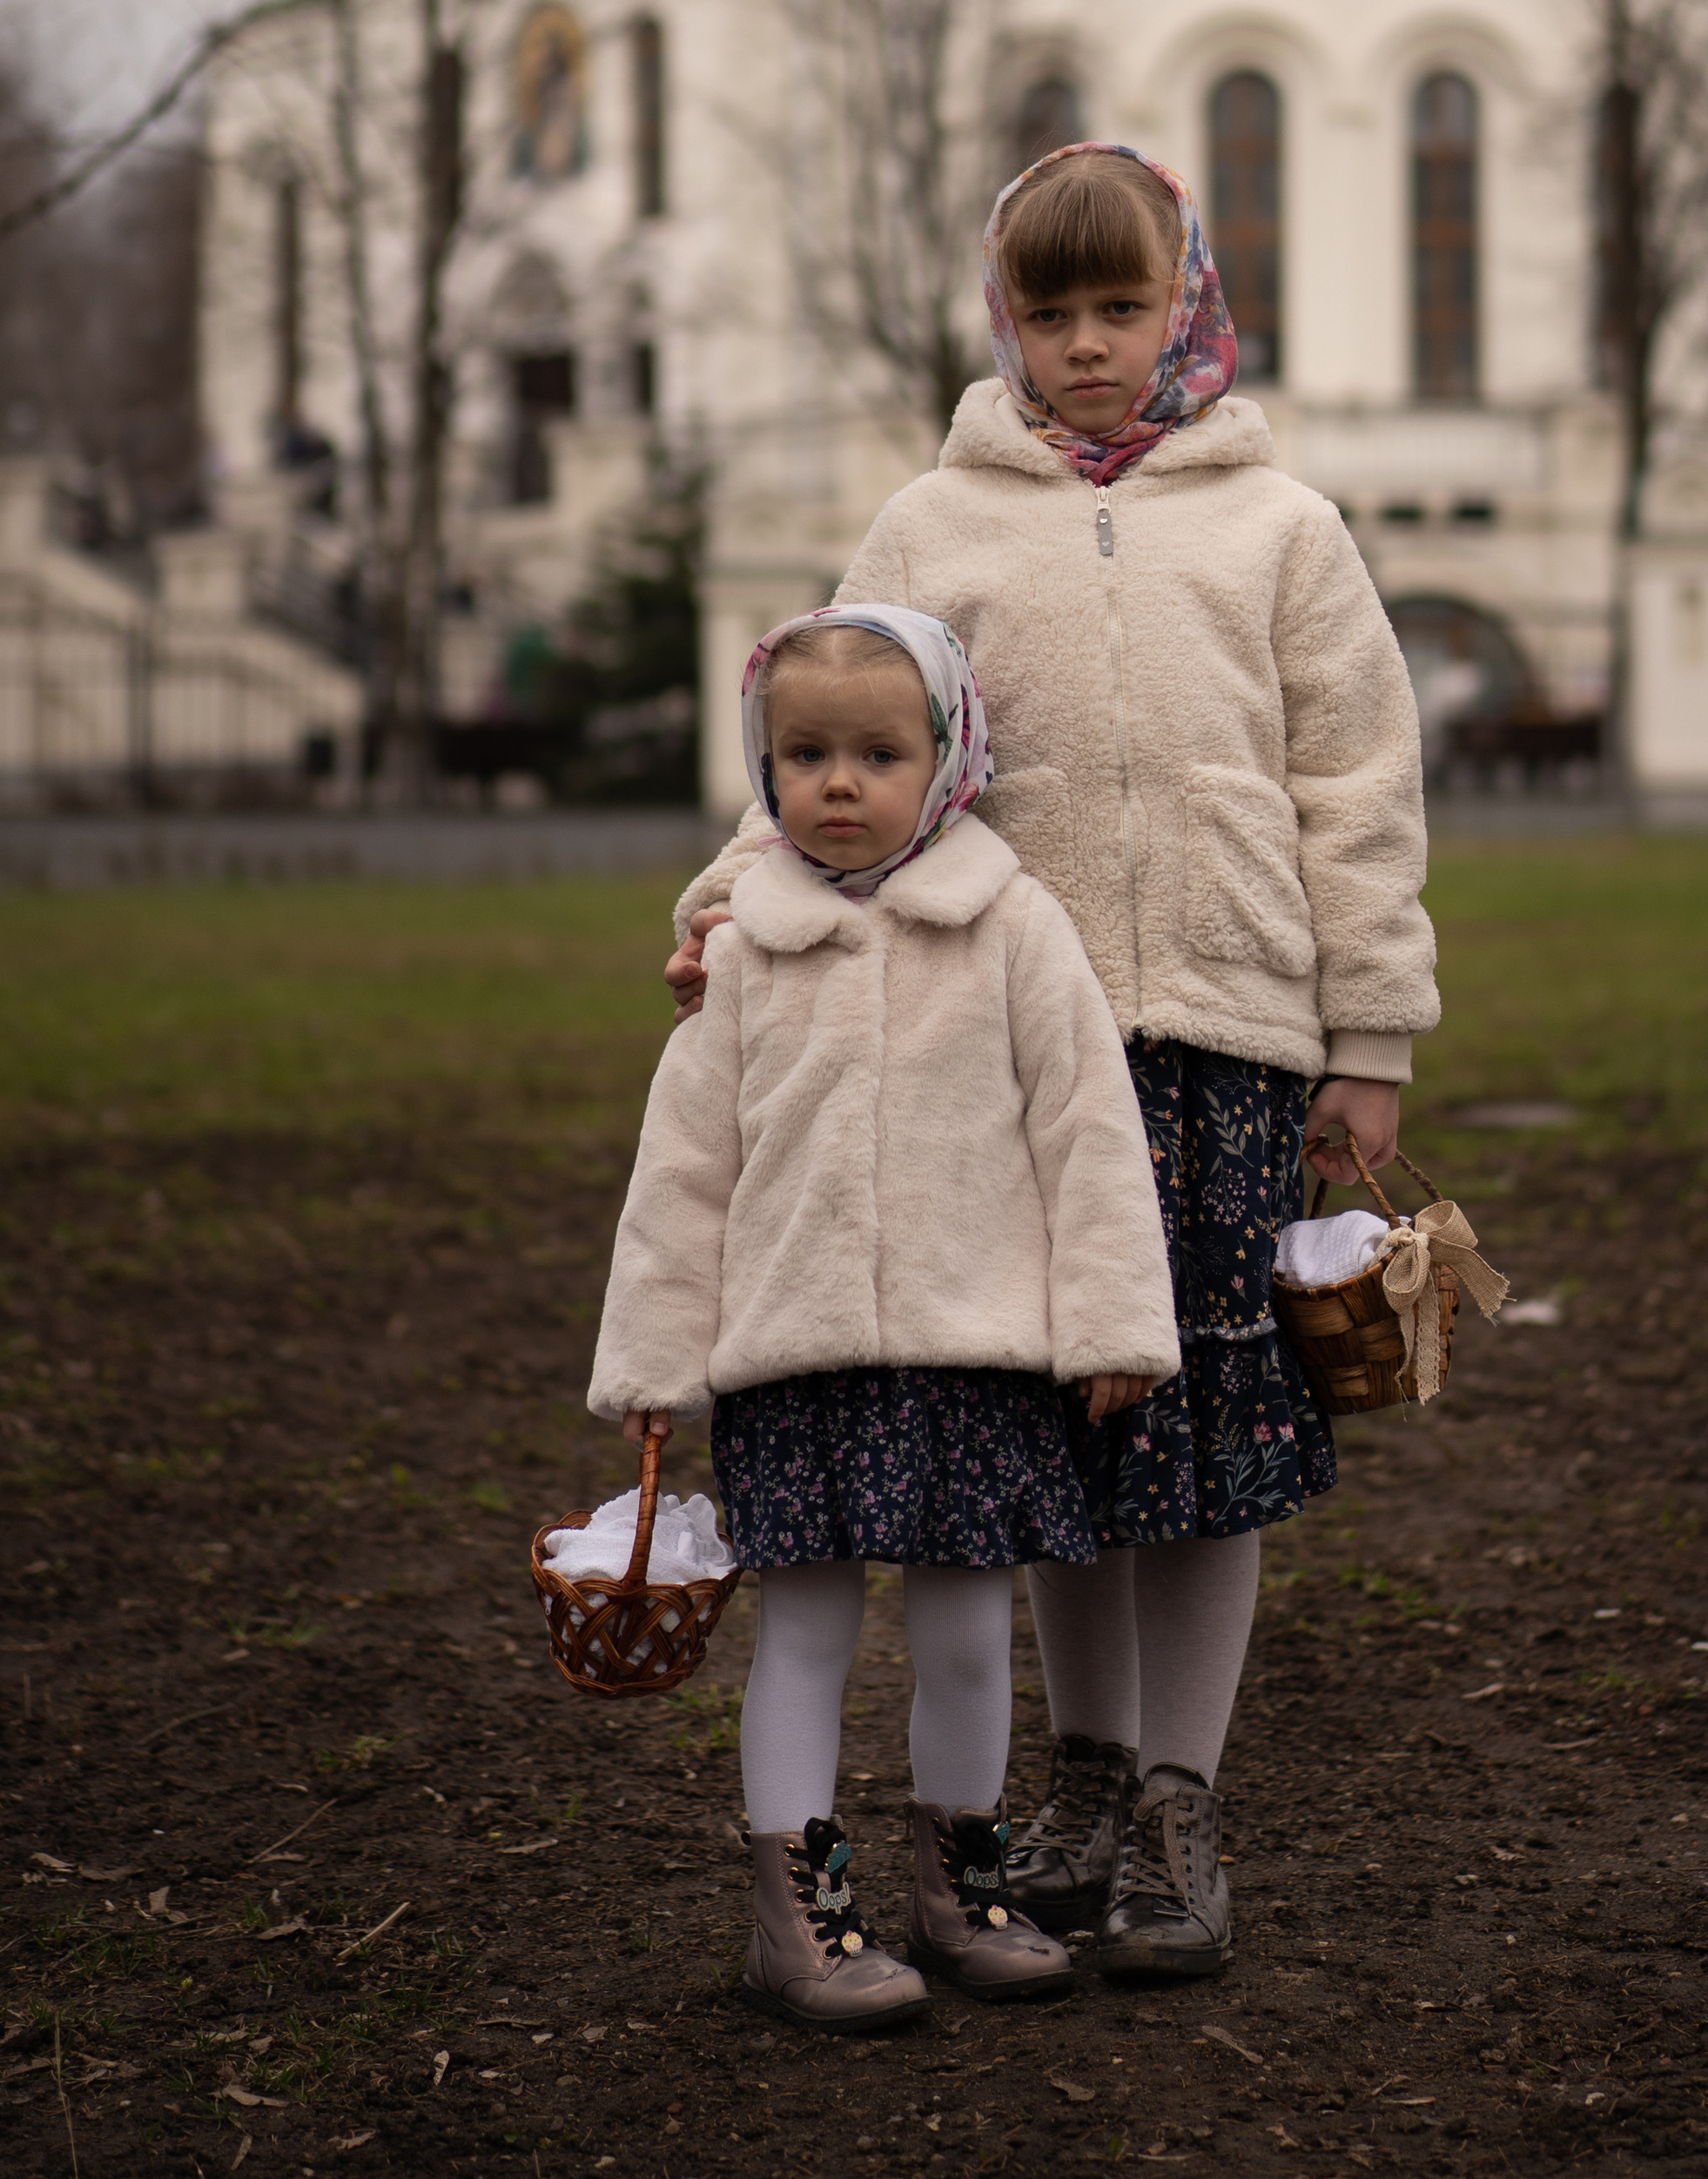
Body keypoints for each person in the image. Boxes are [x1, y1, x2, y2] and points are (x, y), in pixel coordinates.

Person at [667, 146, 1439, 1978]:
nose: (1089, 347)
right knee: (1053, 1423)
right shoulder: (935, 526)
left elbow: (1358, 789)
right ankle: (1076, 1781)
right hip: (997, 1048)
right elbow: (836, 740)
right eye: (1050, 313)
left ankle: (1179, 1797)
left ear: (1190, 300)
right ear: (999, 319)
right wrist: (724, 900)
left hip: (1225, 1055)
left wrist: (1368, 1035)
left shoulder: (1283, 530)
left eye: (1123, 307)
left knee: (1205, 1435)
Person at [589, 602, 1179, 2034]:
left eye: (876, 752)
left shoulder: (1016, 929)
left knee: (972, 1634)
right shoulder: (742, 955)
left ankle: (959, 1887)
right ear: (764, 765)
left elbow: (1089, 1135)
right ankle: (806, 1912)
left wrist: (1109, 1322)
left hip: (975, 1359)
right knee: (802, 1635)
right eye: (803, 755)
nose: (838, 783)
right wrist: (656, 1365)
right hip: (794, 1363)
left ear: (951, 759)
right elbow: (684, 1173)